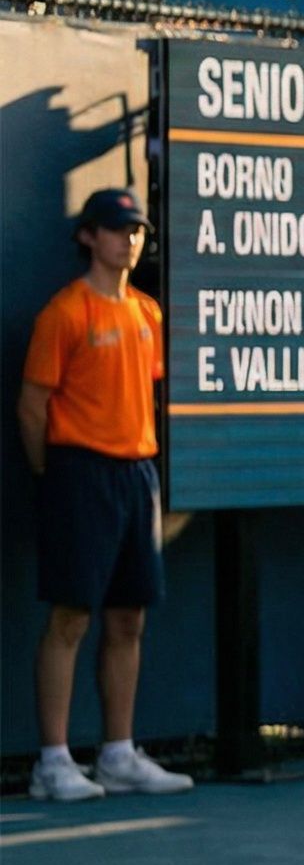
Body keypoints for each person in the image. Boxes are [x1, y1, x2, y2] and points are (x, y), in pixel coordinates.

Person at [18, 188, 193, 801]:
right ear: (89, 237)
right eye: (118, 230)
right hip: (78, 474)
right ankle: (53, 762)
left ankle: (118, 753)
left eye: (138, 230)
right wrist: (55, 475)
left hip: (136, 476)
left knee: (129, 619)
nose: (130, 240)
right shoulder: (64, 314)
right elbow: (33, 405)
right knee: (71, 617)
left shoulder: (148, 313)